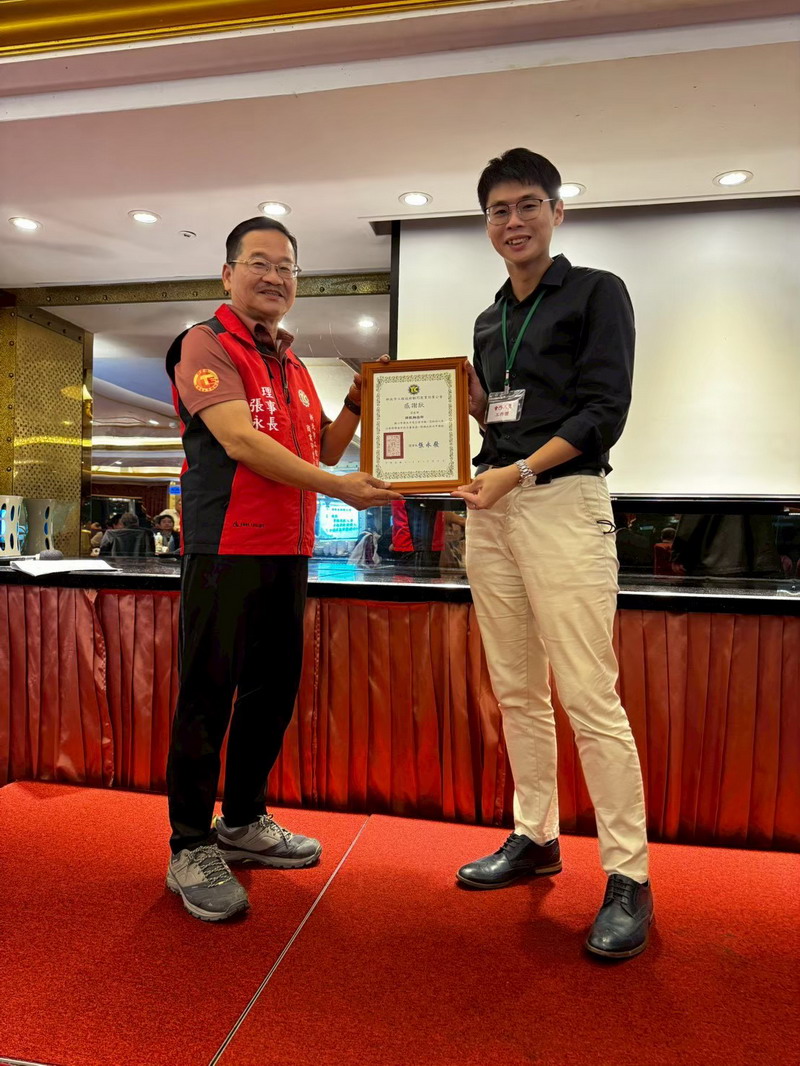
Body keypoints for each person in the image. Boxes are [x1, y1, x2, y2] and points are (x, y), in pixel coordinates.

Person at [164, 215, 401, 922]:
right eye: (259, 263)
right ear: (228, 273)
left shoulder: (293, 366)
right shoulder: (205, 343)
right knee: (207, 696)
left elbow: (322, 449)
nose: (274, 277)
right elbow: (239, 441)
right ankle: (188, 845)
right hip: (225, 549)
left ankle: (241, 822)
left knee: (271, 695)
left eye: (286, 267)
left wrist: (358, 400)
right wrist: (340, 490)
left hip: (286, 552)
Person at [452, 148, 652, 959]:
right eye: (499, 210)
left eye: (528, 204)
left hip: (563, 504)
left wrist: (520, 471)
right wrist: (470, 409)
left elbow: (605, 411)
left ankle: (629, 876)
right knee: (516, 690)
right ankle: (535, 836)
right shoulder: (489, 320)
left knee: (588, 694)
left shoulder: (597, 292)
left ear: (556, 211)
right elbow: (507, 418)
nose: (514, 221)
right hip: (493, 510)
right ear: (487, 223)